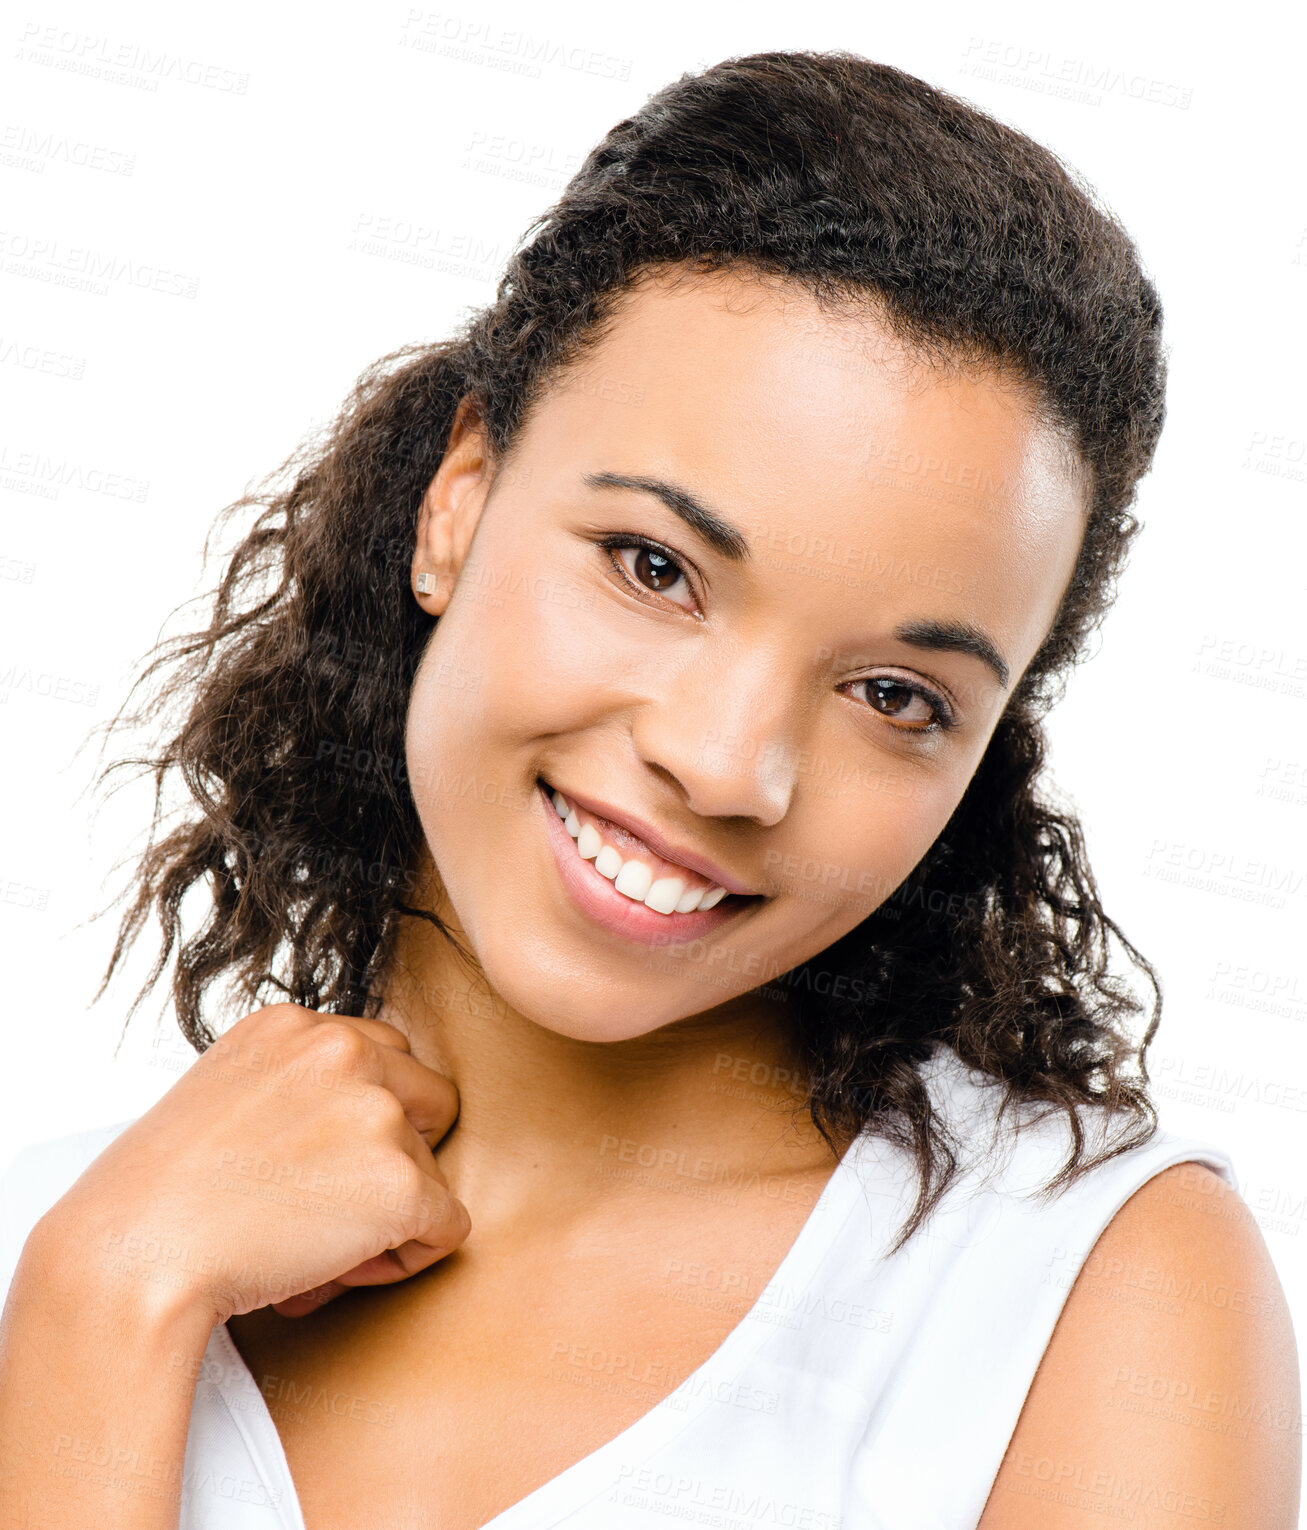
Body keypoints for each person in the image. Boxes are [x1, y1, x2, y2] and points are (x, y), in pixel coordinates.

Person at [0, 47, 1299, 1530]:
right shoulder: (73, 1243)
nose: (727, 761)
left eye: (894, 695)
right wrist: (104, 1311)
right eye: (655, 567)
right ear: (459, 499)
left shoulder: (1078, 1292)